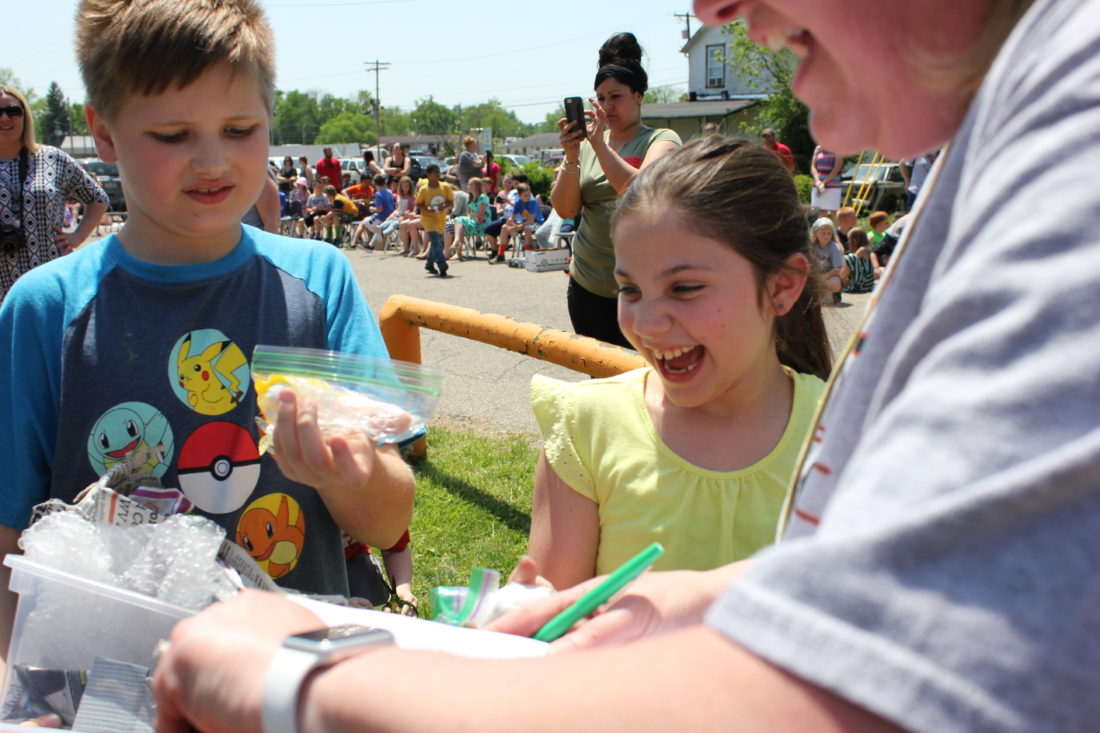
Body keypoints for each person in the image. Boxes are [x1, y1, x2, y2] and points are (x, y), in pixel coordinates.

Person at [158, 0, 1100, 730]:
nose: (713, 9)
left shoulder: (1077, 115)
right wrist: (687, 601)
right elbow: (946, 571)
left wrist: (306, 680)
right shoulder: (1021, 108)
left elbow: (900, 674)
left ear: (785, 287)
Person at [0, 0, 418, 667]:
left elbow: (391, 514)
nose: (213, 160)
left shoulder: (319, 281)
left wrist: (350, 471)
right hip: (108, 688)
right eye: (172, 135)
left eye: (240, 127)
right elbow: (11, 540)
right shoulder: (45, 309)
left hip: (293, 676)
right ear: (103, 133)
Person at [524, 138, 830, 589]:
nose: (646, 323)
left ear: (781, 288)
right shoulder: (587, 427)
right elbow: (548, 609)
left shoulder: (846, 435)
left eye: (685, 288)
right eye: (629, 290)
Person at [552, 32, 680, 348]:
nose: (607, 105)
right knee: (600, 381)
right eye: (601, 97)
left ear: (639, 96)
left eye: (616, 96)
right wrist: (572, 156)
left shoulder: (662, 139)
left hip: (644, 291)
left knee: (643, 382)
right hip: (588, 286)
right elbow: (565, 210)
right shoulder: (586, 146)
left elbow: (642, 193)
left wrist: (598, 145)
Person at [0, 85, 109, 303]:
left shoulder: (52, 158)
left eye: (13, 111)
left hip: (51, 283)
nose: (4, 118)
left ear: (25, 115)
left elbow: (98, 198)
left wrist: (77, 236)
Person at [414, 163, 453, 276]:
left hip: (440, 217)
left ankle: (429, 263)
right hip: (428, 218)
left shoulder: (445, 187)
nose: (437, 175)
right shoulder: (424, 190)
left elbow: (450, 200)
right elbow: (418, 204)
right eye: (435, 172)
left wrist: (444, 206)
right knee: (435, 240)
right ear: (429, 174)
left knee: (436, 242)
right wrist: (427, 208)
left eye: (438, 172)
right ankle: (442, 263)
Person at [490, 182, 543, 263]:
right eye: (525, 195)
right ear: (519, 195)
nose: (528, 196)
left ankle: (527, 256)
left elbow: (531, 220)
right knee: (504, 227)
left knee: (527, 229)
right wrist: (510, 220)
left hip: (537, 223)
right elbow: (513, 216)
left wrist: (516, 227)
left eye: (529, 194)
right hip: (524, 223)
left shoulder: (533, 202)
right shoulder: (518, 202)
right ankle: (500, 255)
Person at [350, 173, 395, 249]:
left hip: (381, 217)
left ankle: (353, 243)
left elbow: (379, 209)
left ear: (375, 183)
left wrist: (372, 209)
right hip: (390, 215)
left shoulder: (378, 194)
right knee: (367, 221)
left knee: (363, 223)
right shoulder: (390, 192)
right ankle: (370, 241)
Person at [452, 176, 490, 258]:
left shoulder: (482, 197)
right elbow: (468, 213)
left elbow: (481, 214)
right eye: (468, 184)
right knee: (456, 226)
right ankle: (458, 253)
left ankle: (456, 241)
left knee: (458, 220)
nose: (468, 186)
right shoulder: (469, 197)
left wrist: (473, 214)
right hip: (472, 221)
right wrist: (473, 214)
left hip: (482, 223)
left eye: (471, 184)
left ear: (477, 186)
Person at [811, 216, 845, 303]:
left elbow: (838, 268)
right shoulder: (811, 246)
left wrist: (825, 277)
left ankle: (828, 293)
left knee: (835, 283)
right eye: (823, 233)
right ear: (815, 233)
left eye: (829, 233)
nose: (826, 236)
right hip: (815, 275)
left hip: (829, 276)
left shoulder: (834, 247)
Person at [841, 227, 879, 293]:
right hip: (868, 282)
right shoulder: (869, 248)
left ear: (854, 241)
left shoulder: (862, 250)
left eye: (849, 240)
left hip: (864, 283)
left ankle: (840, 278)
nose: (849, 243)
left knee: (849, 258)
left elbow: (852, 260)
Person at [810, 143, 843, 214]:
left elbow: (837, 168)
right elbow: (813, 167)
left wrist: (823, 183)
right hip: (818, 186)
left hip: (833, 186)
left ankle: (835, 225)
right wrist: (818, 182)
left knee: (834, 212)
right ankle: (823, 225)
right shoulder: (818, 148)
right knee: (820, 211)